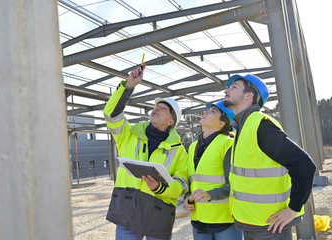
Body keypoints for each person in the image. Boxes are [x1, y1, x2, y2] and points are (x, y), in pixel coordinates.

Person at [223, 74, 316, 240]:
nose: (226, 90)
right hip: (251, 222)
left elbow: (304, 165)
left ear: (249, 95)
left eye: (234, 87)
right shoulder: (242, 128)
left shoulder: (260, 125)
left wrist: (293, 209)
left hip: (271, 227)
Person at [104, 65, 189, 240]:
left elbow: (182, 184)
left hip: (158, 214)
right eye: (156, 106)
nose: (156, 108)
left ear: (171, 121)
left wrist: (160, 187)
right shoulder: (128, 134)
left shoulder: (179, 151)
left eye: (163, 108)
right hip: (128, 210)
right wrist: (128, 87)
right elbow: (111, 114)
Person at [184, 100, 243, 240]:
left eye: (212, 111)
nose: (205, 112)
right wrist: (187, 197)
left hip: (225, 221)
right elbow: (192, 181)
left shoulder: (228, 144)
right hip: (199, 220)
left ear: (221, 123)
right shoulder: (193, 147)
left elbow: (237, 184)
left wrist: (211, 194)